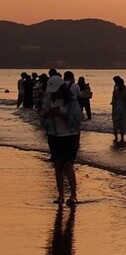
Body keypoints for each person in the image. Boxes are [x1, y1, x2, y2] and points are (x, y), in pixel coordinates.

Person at [42, 76, 81, 205]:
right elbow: (42, 117)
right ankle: (60, 196)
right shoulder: (49, 100)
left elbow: (77, 120)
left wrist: (62, 115)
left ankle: (73, 195)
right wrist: (48, 114)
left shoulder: (71, 102)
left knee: (68, 164)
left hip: (69, 135)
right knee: (57, 164)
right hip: (54, 135)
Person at [111, 76, 126, 144]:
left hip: (116, 106)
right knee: (122, 123)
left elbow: (113, 99)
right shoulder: (125, 90)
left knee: (115, 123)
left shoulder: (115, 90)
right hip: (123, 107)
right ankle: (122, 137)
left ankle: (116, 137)